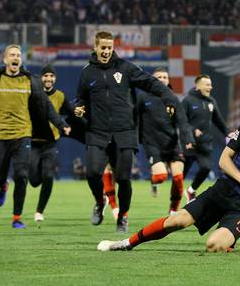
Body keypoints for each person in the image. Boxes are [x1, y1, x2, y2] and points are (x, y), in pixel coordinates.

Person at [97, 82, 240, 252]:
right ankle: (126, 243)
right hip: (223, 190)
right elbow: (224, 161)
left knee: (213, 245)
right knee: (177, 221)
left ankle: (228, 239)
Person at [74, 31, 179, 232]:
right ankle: (99, 201)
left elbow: (150, 83)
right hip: (98, 132)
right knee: (92, 173)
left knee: (123, 179)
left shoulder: (126, 68)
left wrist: (168, 98)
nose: (106, 51)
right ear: (95, 48)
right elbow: (80, 99)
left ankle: (123, 217)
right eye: (102, 47)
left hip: (124, 133)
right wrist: (78, 108)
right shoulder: (87, 72)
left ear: (113, 48)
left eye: (109, 47)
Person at [0, 44, 69, 229]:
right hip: (0, 135)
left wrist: (61, 124)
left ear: (21, 60)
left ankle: (17, 217)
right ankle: (2, 186)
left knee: (22, 175)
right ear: (5, 59)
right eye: (12, 55)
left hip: (23, 135)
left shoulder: (30, 81)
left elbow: (46, 106)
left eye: (18, 55)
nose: (15, 58)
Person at [137, 67, 194, 214]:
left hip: (172, 144)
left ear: (168, 80)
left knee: (178, 178)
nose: (162, 79)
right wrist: (136, 139)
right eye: (158, 77)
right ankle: (154, 181)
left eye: (164, 77)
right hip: (152, 144)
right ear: (152, 79)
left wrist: (188, 139)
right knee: (161, 176)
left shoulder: (173, 99)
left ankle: (173, 211)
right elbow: (135, 120)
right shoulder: (143, 98)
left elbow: (183, 121)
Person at [29, 64, 73, 222]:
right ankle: (39, 172)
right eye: (45, 75)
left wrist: (70, 122)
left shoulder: (60, 96)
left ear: (55, 78)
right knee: (34, 181)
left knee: (48, 175)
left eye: (51, 76)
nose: (48, 78)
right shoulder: (33, 94)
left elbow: (71, 111)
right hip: (33, 142)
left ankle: (39, 211)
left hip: (51, 143)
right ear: (41, 78)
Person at [181, 74, 228, 201]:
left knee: (206, 168)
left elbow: (219, 122)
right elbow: (182, 121)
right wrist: (192, 131)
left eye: (211, 84)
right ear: (197, 86)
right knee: (180, 176)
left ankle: (191, 190)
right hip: (189, 143)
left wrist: (229, 133)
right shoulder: (187, 101)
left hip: (204, 144)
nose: (210, 87)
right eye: (207, 84)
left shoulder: (211, 101)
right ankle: (174, 204)